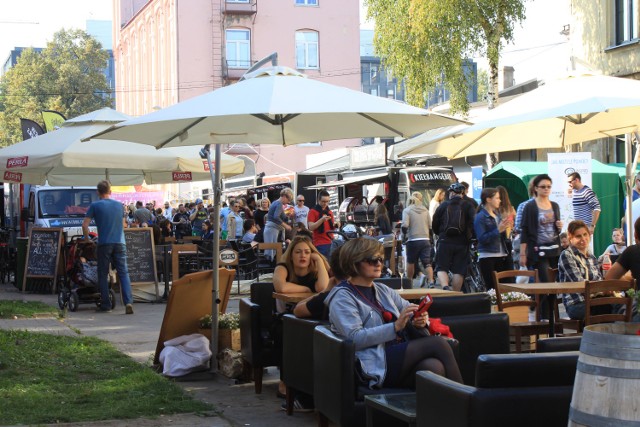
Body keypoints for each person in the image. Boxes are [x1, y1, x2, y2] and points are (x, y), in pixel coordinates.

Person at [325, 237, 462, 389]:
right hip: (371, 362)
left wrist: (419, 318)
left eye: (380, 259)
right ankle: (467, 402)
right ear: (354, 262)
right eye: (371, 259)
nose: (378, 264)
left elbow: (409, 309)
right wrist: (395, 327)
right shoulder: (342, 297)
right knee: (438, 343)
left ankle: (444, 411)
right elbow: (354, 338)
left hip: (396, 356)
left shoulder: (382, 290)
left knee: (434, 367)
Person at [82, 180, 133, 314]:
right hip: (120, 242)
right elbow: (123, 225)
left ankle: (106, 304)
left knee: (103, 273)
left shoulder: (95, 205)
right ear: (110, 192)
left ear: (98, 192)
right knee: (123, 272)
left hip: (104, 243)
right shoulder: (119, 205)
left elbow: (84, 225)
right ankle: (128, 302)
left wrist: (87, 240)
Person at [519, 174, 563, 319]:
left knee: (553, 283)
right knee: (545, 282)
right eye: (543, 187)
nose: (546, 189)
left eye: (549, 187)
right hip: (538, 250)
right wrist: (523, 254)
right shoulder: (530, 206)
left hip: (555, 248)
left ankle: (548, 314)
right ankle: (545, 315)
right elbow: (524, 230)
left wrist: (559, 226)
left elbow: (556, 228)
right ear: (536, 188)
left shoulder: (555, 205)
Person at [558, 220, 609, 320]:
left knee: (621, 304)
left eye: (585, 234)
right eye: (578, 236)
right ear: (570, 238)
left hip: (595, 300)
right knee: (612, 308)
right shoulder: (567, 255)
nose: (583, 239)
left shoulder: (592, 257)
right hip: (576, 304)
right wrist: (602, 290)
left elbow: (599, 280)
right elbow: (580, 284)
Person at [432, 183, 476, 291]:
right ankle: (455, 294)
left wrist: (440, 234)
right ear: (462, 193)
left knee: (441, 267)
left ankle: (445, 287)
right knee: (459, 270)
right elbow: (473, 222)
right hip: (462, 242)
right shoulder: (468, 205)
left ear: (451, 193)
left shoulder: (443, 205)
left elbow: (435, 223)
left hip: (445, 241)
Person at [473, 188, 513, 290]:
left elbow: (501, 236)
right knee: (493, 289)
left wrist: (508, 229)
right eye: (497, 198)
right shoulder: (480, 217)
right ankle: (494, 306)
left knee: (505, 287)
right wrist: (498, 230)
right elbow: (481, 239)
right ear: (488, 199)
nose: (500, 200)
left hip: (503, 255)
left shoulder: (497, 215)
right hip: (488, 256)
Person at [401, 192, 434, 288]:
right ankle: (431, 281)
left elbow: (404, 225)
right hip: (425, 239)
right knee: (427, 262)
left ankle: (409, 281)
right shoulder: (425, 210)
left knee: (411, 261)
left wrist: (404, 236)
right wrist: (430, 239)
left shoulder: (407, 210)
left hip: (413, 240)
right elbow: (430, 226)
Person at [263, 188, 294, 260]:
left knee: (271, 250)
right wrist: (285, 225)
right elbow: (276, 217)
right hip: (272, 229)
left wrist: (288, 218)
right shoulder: (279, 204)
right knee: (272, 251)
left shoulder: (275, 202)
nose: (288, 202)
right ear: (284, 196)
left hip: (270, 229)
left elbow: (282, 215)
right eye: (288, 200)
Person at [307, 190, 335, 258]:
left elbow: (331, 227)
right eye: (323, 201)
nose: (325, 203)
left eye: (327, 201)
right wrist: (321, 220)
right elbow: (310, 227)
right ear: (318, 200)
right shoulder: (312, 211)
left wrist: (336, 225)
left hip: (331, 241)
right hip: (320, 243)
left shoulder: (329, 212)